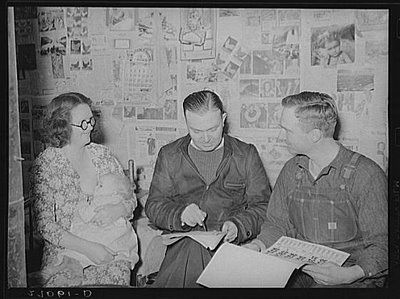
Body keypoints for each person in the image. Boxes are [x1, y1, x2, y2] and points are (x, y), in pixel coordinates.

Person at [244, 91, 388, 288]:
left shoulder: (366, 175)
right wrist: (258, 245)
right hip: (303, 269)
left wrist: (348, 275)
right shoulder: (291, 170)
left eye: (287, 130)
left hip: (352, 273)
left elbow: (383, 245)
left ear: (315, 135)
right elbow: (276, 224)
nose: (281, 136)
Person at [145, 90, 271, 287]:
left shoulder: (245, 155)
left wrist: (239, 225)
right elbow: (153, 205)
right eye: (196, 130)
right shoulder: (169, 155)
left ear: (223, 119)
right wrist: (180, 214)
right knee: (192, 247)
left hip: (230, 243)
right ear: (186, 124)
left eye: (212, 129)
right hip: (184, 242)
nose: (205, 138)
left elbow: (264, 207)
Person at [30, 92, 136, 287]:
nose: (91, 127)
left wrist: (120, 209)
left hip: (111, 243)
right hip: (67, 251)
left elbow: (130, 197)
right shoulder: (46, 165)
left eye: (91, 120)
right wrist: (89, 248)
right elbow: (45, 226)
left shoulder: (102, 154)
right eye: (83, 123)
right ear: (62, 128)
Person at [60, 173, 139, 271]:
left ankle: (75, 264)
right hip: (120, 237)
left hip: (103, 235)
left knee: (85, 242)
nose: (96, 187)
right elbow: (129, 195)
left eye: (100, 185)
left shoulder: (100, 200)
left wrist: (82, 205)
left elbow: (86, 215)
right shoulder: (118, 197)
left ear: (114, 192)